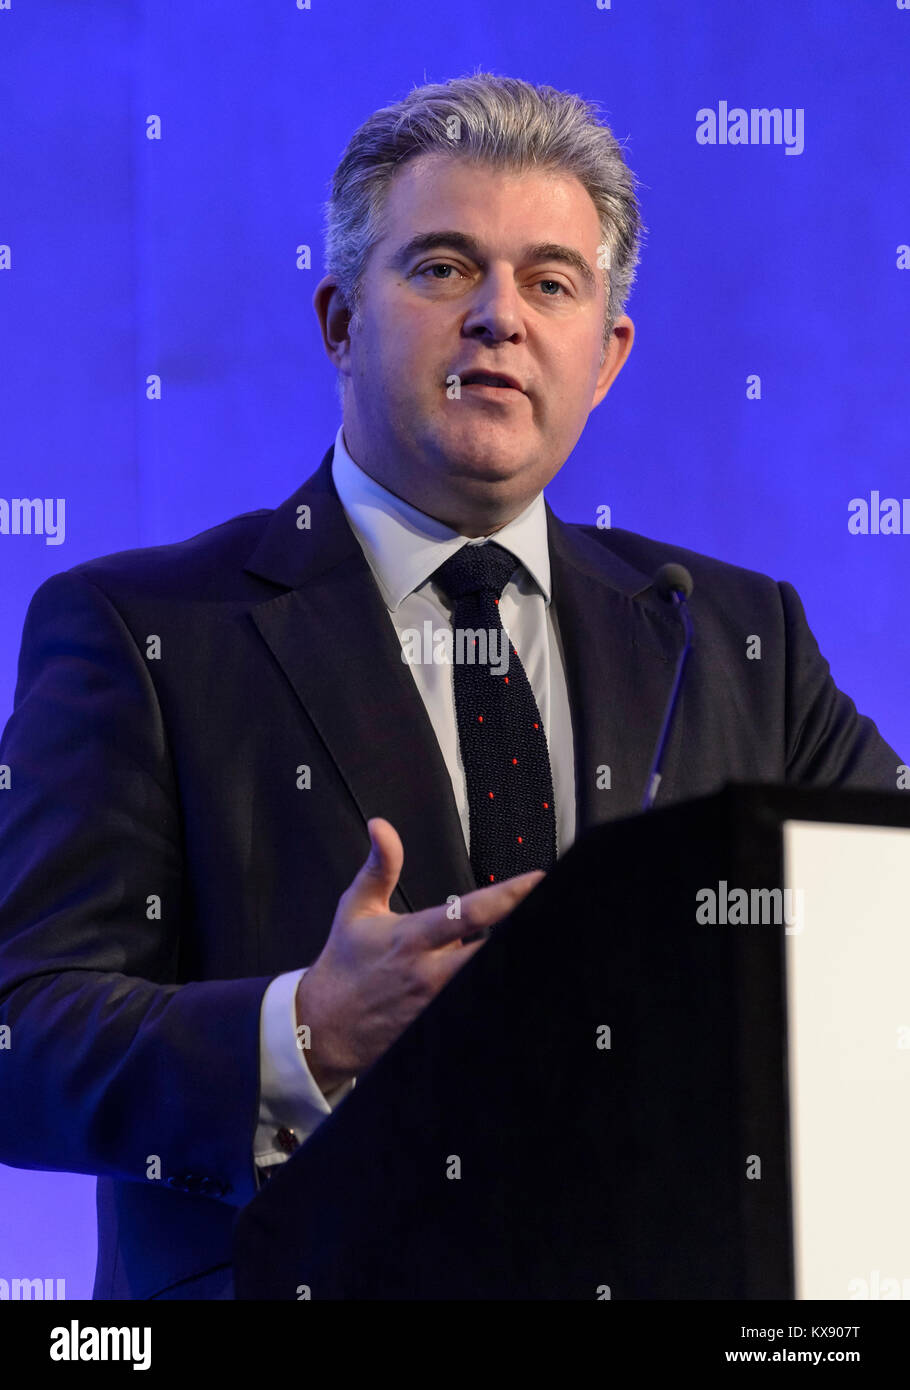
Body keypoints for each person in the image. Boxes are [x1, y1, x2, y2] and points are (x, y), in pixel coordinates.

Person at [0, 72, 902, 1301]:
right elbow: (23, 1034)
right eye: (439, 268)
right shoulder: (142, 629)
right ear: (337, 319)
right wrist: (302, 1030)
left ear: (606, 356)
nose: (498, 318)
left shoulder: (738, 636)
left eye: (550, 281)